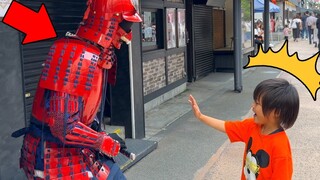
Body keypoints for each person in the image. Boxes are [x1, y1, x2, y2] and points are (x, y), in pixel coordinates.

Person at [11, 0, 142, 179]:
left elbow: (81, 115)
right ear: (109, 21)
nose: (128, 33)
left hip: (75, 149)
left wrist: (100, 134)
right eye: (126, 25)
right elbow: (62, 125)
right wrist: (103, 141)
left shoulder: (95, 55)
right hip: (53, 156)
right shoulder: (73, 54)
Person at [189, 78, 299, 179]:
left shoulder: (281, 149)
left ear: (276, 112)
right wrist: (201, 116)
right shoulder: (252, 126)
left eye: (257, 103)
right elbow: (226, 126)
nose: (252, 106)